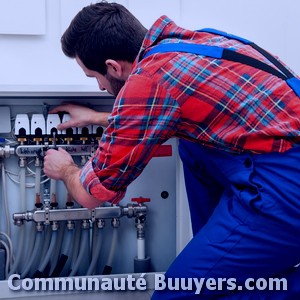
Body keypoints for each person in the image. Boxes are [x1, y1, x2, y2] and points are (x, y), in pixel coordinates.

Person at [43, 1, 300, 298]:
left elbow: (93, 194)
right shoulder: (191, 43)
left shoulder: (147, 82)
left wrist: (65, 169)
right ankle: (224, 254)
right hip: (282, 162)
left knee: (174, 295)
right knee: (191, 147)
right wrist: (104, 118)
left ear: (113, 66)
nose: (100, 87)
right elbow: (176, 113)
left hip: (285, 189)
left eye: (95, 77)